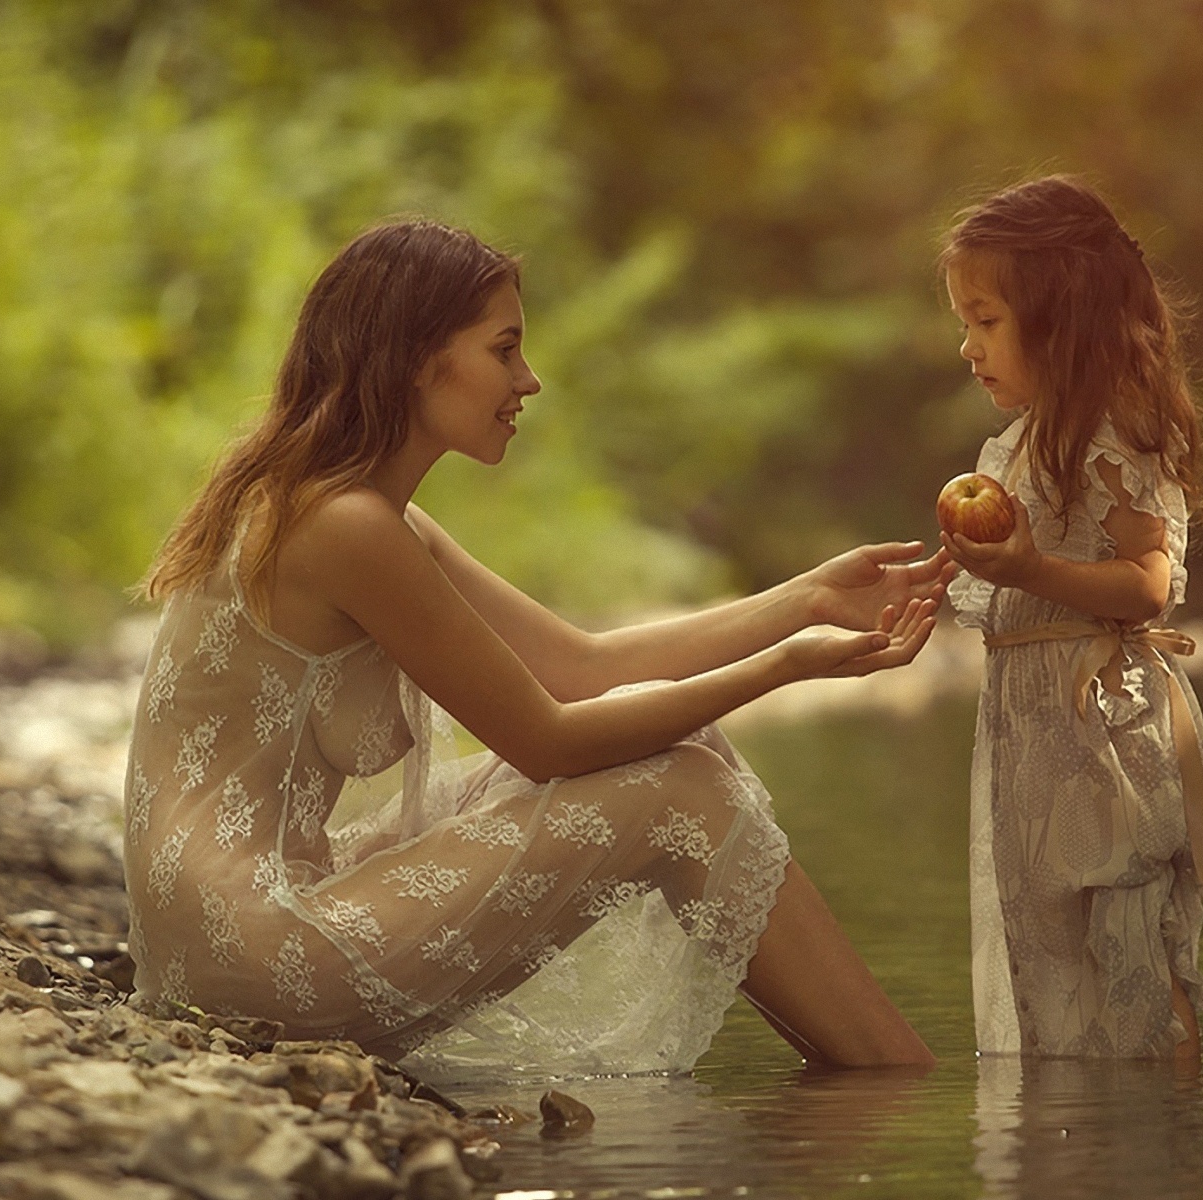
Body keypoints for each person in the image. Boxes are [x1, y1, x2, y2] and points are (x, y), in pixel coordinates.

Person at [122, 218, 948, 1078]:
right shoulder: (343, 527)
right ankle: (892, 1082)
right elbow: (545, 739)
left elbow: (581, 667)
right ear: (412, 356)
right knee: (685, 793)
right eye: (504, 349)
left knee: (669, 741)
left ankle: (870, 1078)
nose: (529, 380)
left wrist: (804, 600)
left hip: (211, 949)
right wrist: (785, 668)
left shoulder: (345, 510)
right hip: (253, 964)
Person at [936, 175, 1203, 1059]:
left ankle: (1160, 1136)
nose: (966, 346)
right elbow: (1017, 585)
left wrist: (1030, 567)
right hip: (1033, 740)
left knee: (1122, 933)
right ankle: (1075, 1150)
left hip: (1098, 730)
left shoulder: (1110, 433)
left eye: (986, 322)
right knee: (1048, 942)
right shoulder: (1024, 443)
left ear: (1059, 322)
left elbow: (1146, 587)